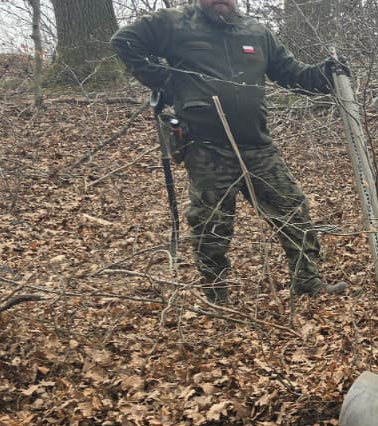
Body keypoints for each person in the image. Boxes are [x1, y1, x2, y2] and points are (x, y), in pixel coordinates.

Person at [112, 0, 349, 304]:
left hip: (257, 147)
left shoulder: (256, 31)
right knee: (211, 225)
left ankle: (306, 281)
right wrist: (164, 81)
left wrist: (327, 74)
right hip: (206, 148)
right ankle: (217, 296)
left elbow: (291, 73)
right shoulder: (174, 23)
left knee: (292, 209)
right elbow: (124, 40)